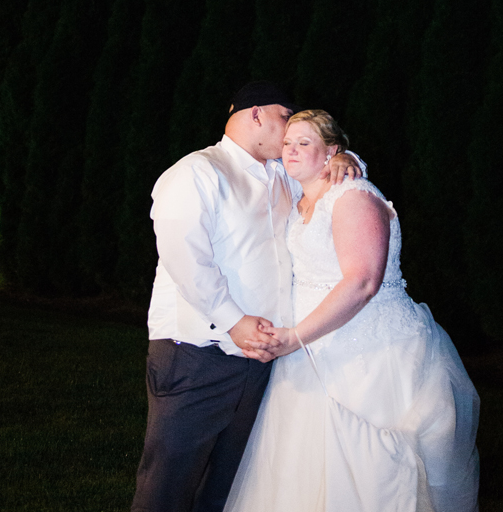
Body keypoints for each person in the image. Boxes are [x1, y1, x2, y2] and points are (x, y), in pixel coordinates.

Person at [225, 109, 480, 512]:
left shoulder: (352, 195)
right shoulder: (300, 195)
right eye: (288, 143)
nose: (290, 151)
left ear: (332, 153)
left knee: (372, 469)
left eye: (304, 143)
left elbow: (362, 282)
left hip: (371, 351)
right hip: (310, 353)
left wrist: (294, 337)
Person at [130, 82, 361, 512]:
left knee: (230, 487)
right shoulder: (197, 172)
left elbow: (327, 179)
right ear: (256, 114)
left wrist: (345, 156)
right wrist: (235, 321)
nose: (290, 135)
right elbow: (187, 261)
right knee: (169, 486)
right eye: (283, 121)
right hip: (197, 354)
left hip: (261, 361)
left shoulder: (281, 178)